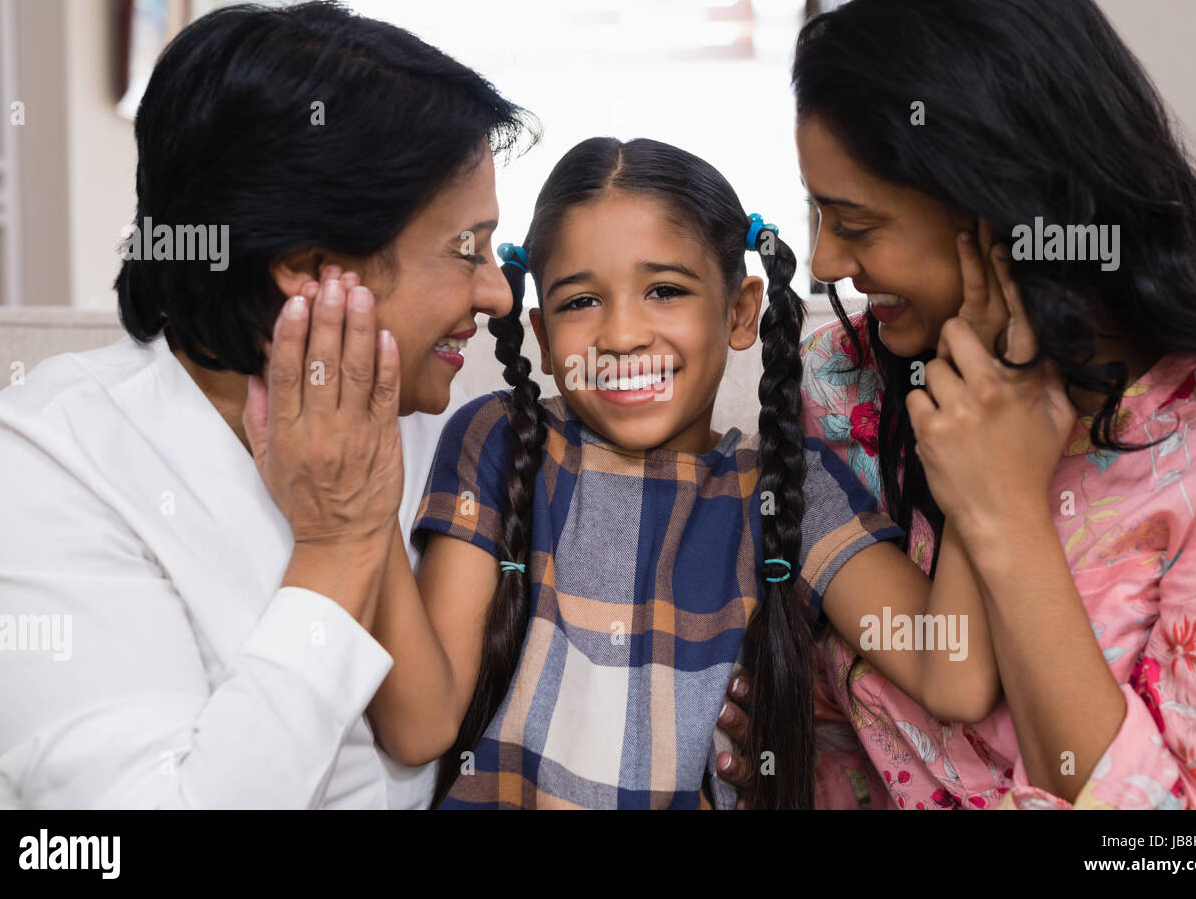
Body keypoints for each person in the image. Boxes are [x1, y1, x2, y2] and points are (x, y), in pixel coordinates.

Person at [717, 0, 1196, 809]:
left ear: (1001, 207)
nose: (825, 259)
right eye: (818, 213)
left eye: (856, 221)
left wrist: (1005, 514)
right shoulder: (841, 386)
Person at [0, 0, 537, 808]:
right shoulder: (32, 473)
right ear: (311, 268)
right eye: (464, 248)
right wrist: (337, 544)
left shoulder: (447, 422)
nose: (498, 293)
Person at [352, 136, 1011, 809]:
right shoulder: (499, 440)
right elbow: (415, 727)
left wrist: (981, 453)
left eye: (665, 291)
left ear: (739, 311)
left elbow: (951, 672)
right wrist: (362, 510)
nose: (624, 334)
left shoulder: (789, 487)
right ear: (543, 338)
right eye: (581, 302)